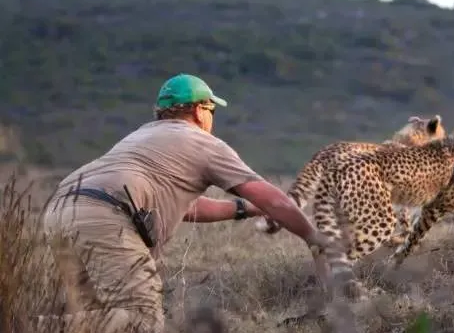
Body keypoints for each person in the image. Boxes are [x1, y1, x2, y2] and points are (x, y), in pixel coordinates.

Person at [35, 73, 332, 332]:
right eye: (212, 109)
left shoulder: (141, 136)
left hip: (60, 210)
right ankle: (23, 325)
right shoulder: (203, 143)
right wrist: (313, 237)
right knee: (142, 320)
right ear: (200, 110)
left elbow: (184, 204)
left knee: (92, 320)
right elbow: (274, 199)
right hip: (107, 215)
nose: (212, 118)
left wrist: (243, 209)